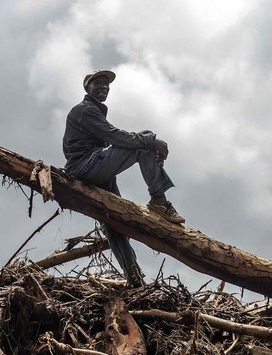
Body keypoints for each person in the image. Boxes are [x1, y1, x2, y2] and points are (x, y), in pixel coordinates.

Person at [62, 69, 184, 286]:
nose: (104, 86)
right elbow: (113, 135)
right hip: (84, 168)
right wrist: (151, 143)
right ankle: (159, 201)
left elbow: (110, 139)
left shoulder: (94, 111)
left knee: (114, 221)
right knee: (145, 139)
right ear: (87, 88)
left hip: (93, 168)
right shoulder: (84, 110)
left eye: (106, 84)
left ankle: (134, 277)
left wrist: (149, 145)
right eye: (98, 82)